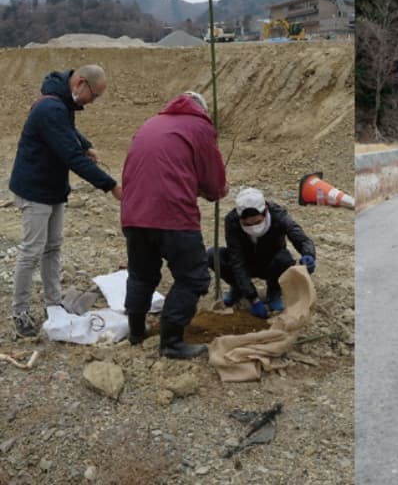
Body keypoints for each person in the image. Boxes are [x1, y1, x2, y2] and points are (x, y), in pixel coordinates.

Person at [9, 65, 122, 338]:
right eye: (94, 95)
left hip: (52, 187)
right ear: (80, 83)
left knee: (53, 246)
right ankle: (20, 311)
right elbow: (72, 156)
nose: (92, 101)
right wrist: (110, 185)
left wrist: (86, 144)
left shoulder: (62, 103)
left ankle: (53, 302)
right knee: (32, 251)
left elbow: (68, 132)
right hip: (34, 189)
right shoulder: (51, 108)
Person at [121, 91, 227, 359]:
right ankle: (171, 342)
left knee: (141, 273)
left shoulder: (151, 123)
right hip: (172, 213)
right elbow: (213, 180)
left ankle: (136, 331)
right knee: (193, 276)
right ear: (202, 110)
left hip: (134, 213)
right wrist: (217, 191)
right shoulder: (200, 126)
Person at [208, 187, 316, 319]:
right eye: (247, 224)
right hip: (246, 262)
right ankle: (238, 288)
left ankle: (274, 291)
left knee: (285, 259)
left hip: (270, 262)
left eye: (258, 222)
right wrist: (253, 299)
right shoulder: (232, 221)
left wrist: (308, 254)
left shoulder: (278, 215)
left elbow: (301, 238)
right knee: (213, 255)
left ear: (265, 210)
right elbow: (237, 260)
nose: (253, 227)